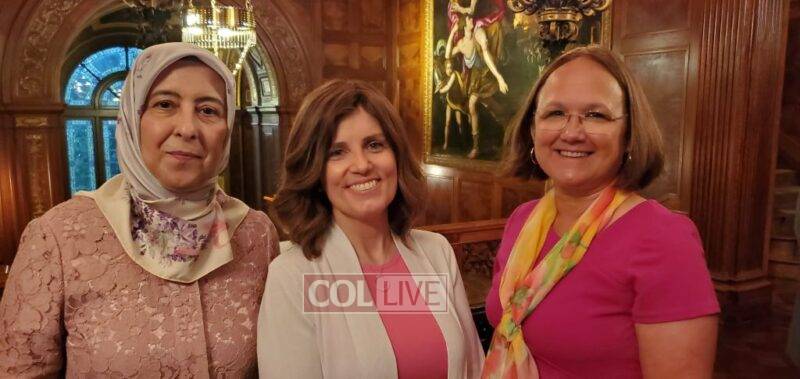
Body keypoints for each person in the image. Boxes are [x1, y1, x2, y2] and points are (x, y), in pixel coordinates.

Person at [0, 42, 278, 377]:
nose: (187, 128)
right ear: (134, 118)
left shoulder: (255, 234)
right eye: (165, 104)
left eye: (208, 110)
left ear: (227, 129)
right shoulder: (58, 238)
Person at [483, 46, 719, 378]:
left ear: (628, 136)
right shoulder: (523, 219)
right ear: (532, 130)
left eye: (596, 115)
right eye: (555, 113)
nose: (572, 132)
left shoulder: (664, 238)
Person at [257, 79, 484, 378]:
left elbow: (475, 367)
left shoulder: (436, 252)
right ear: (314, 171)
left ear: (396, 156)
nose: (362, 164)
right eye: (337, 152)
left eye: (374, 145)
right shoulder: (292, 276)